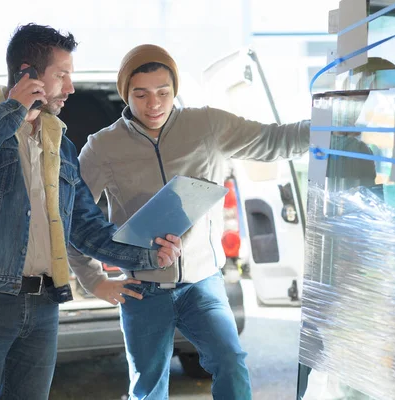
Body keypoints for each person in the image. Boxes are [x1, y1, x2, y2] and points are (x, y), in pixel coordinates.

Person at [0, 26, 181, 400]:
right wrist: (12, 110)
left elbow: (86, 228)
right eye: (62, 75)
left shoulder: (59, 143)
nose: (70, 88)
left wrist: (147, 252)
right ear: (28, 74)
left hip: (45, 303)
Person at [68, 44, 311, 400]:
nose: (154, 104)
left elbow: (273, 141)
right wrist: (95, 281)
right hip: (141, 290)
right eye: (141, 94)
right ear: (126, 94)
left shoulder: (208, 126)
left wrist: (329, 125)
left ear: (174, 90)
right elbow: (74, 218)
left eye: (163, 93)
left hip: (202, 283)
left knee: (231, 362)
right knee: (148, 386)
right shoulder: (102, 148)